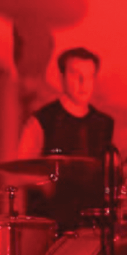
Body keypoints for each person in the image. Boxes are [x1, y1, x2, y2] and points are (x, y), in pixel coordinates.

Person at [16, 46, 115, 233]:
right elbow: (21, 170)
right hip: (51, 224)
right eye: (75, 75)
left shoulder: (104, 124)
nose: (83, 82)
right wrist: (48, 186)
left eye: (89, 76)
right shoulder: (42, 121)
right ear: (61, 77)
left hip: (93, 226)